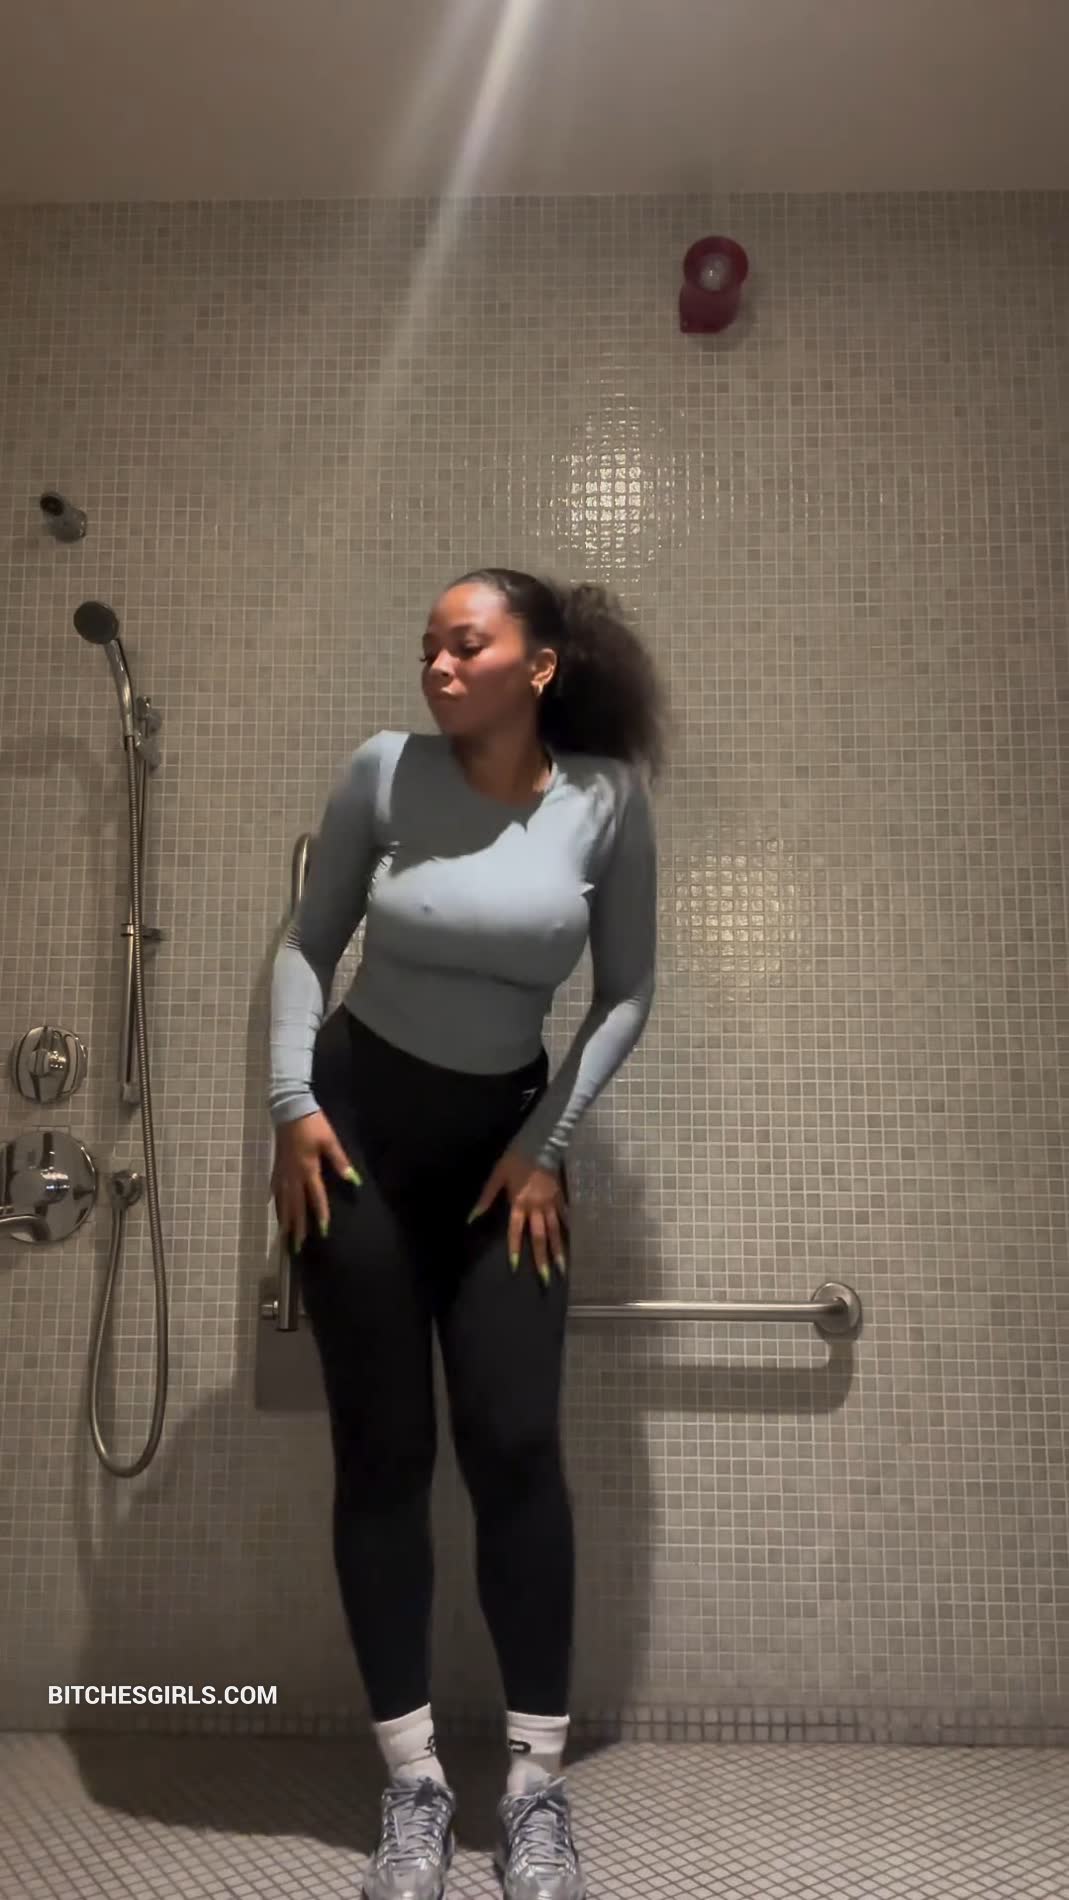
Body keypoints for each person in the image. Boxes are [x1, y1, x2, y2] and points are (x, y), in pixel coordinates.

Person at [269, 568, 664, 1900]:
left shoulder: (608, 800)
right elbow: (306, 945)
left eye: (466, 644)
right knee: (383, 1453)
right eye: (428, 646)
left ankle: (536, 1791)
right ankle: (415, 1788)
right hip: (353, 1146)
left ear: (537, 666)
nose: (437, 666)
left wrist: (545, 1146)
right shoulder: (383, 771)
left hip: (507, 1160)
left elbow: (626, 991)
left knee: (516, 1444)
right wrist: (289, 1107)